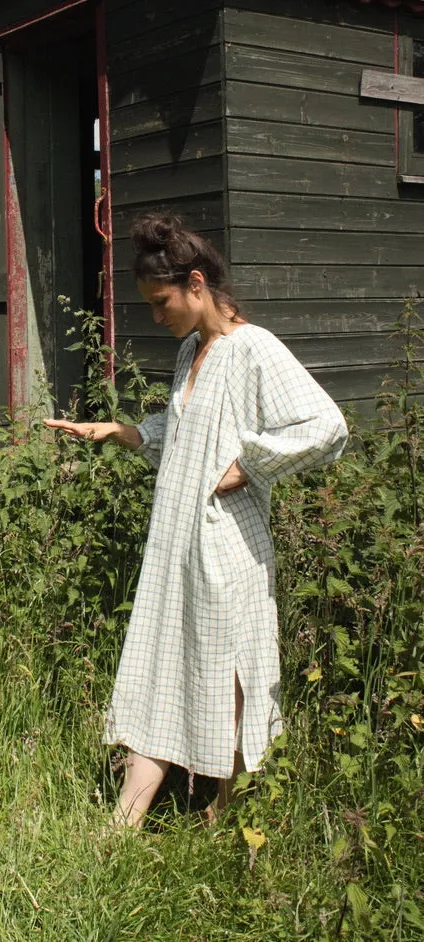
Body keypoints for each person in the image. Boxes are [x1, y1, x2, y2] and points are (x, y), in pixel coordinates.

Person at [44, 215, 348, 828]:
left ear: (197, 284)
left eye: (162, 303)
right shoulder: (193, 350)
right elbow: (185, 430)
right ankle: (124, 825)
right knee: (161, 657)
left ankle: (228, 809)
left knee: (228, 667)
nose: (158, 318)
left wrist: (251, 463)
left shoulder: (254, 348)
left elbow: (326, 427)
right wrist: (121, 431)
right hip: (177, 538)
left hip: (226, 542)